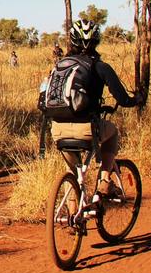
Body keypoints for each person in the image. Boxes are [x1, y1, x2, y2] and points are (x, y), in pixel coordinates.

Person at [49, 19, 143, 198]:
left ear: (73, 40)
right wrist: (137, 99)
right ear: (96, 41)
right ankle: (105, 180)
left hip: (57, 129)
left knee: (73, 172)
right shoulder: (100, 67)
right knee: (112, 132)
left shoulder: (61, 66)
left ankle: (74, 213)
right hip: (86, 129)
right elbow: (122, 100)